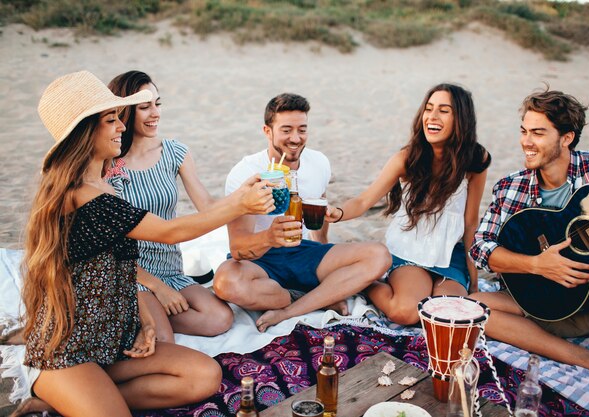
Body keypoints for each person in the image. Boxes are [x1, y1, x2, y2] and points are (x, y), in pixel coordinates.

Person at [19, 70, 274, 416]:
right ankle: (66, 393)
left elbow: (123, 268)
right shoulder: (82, 197)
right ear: (85, 132)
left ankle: (66, 402)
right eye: (111, 120)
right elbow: (171, 232)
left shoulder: (106, 187)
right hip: (68, 351)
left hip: (112, 343)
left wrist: (149, 324)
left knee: (205, 376)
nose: (122, 127)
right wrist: (239, 203)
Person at [469, 89, 589, 390]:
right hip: (548, 302)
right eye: (524, 131)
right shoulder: (510, 187)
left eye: (538, 133)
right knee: (471, 309)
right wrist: (537, 265)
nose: (526, 142)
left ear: (566, 137)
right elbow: (480, 247)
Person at [213, 93, 391, 332]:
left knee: (378, 256)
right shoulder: (245, 172)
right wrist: (269, 237)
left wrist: (325, 248)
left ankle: (291, 309)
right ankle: (312, 295)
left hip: (304, 251)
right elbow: (238, 247)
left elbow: (321, 204)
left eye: (302, 130)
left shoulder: (319, 162)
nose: (295, 138)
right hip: (261, 258)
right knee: (226, 283)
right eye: (286, 130)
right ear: (267, 131)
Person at [325, 83, 490, 325]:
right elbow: (363, 201)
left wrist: (473, 281)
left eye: (444, 111)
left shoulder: (476, 160)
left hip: (448, 254)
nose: (432, 117)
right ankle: (367, 283)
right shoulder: (407, 158)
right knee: (406, 312)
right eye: (429, 109)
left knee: (448, 318)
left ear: (461, 118)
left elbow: (470, 222)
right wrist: (337, 213)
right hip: (410, 249)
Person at [107, 71, 234, 343]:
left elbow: (207, 206)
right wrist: (157, 289)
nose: (155, 113)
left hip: (170, 268)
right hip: (132, 271)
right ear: (124, 112)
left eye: (157, 103)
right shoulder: (110, 164)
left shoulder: (175, 152)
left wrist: (245, 199)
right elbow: (111, 244)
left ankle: (145, 317)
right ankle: (142, 313)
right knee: (163, 341)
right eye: (144, 107)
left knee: (219, 319)